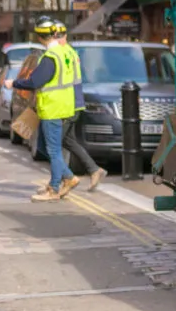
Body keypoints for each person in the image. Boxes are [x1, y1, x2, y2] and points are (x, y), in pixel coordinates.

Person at [6, 16, 80, 202]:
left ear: (39, 38)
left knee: (53, 150)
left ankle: (55, 188)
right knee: (49, 148)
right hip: (65, 105)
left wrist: (13, 82)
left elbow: (35, 81)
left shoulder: (49, 58)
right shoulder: (65, 52)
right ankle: (67, 178)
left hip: (52, 107)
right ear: (55, 33)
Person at [54, 20, 107, 191]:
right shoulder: (70, 52)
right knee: (68, 142)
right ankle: (94, 170)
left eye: (59, 36)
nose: (57, 39)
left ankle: (61, 182)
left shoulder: (61, 54)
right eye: (55, 36)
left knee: (53, 145)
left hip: (67, 105)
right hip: (74, 104)